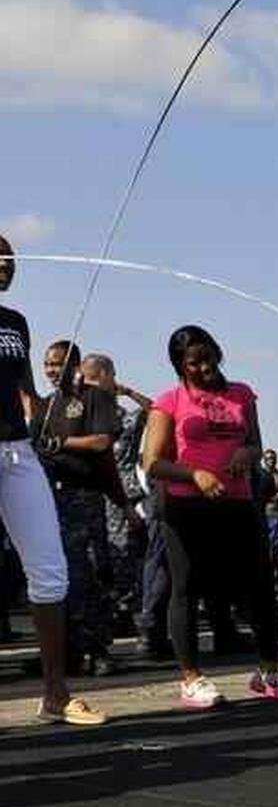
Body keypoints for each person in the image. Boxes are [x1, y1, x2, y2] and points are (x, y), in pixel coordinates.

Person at [143, 325, 278, 708]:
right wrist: (194, 474)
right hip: (187, 506)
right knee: (187, 587)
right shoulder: (169, 401)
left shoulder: (241, 394)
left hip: (238, 501)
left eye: (208, 355)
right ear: (180, 366)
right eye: (192, 362)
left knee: (261, 585)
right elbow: (153, 463)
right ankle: (191, 677)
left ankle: (268, 669)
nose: (203, 366)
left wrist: (247, 453)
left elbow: (254, 441)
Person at [0, 237, 105, 723]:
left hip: (18, 453)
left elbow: (25, 390)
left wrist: (42, 422)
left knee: (49, 570)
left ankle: (55, 695)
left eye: (11, 260)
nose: (6, 267)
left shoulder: (15, 322)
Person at [32, 340, 117, 675]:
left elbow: (102, 442)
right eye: (48, 364)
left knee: (92, 574)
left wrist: (61, 443)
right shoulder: (46, 406)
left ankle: (97, 649)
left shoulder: (94, 399)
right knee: (59, 578)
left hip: (86, 497)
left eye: (59, 363)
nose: (53, 370)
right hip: (52, 497)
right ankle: (66, 651)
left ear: (76, 364)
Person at [80, 353, 151, 636]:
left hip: (123, 493)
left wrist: (128, 392)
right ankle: (103, 610)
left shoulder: (123, 417)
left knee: (122, 555)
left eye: (97, 379)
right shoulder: (80, 413)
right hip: (89, 494)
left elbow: (154, 409)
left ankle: (124, 609)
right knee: (94, 556)